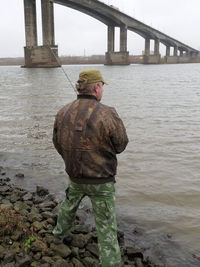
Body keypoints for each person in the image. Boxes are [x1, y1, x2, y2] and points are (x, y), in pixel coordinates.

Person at [52, 69, 128, 266]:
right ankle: (110, 263)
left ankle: (58, 236)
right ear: (96, 87)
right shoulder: (108, 113)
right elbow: (121, 145)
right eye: (102, 85)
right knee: (106, 226)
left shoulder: (62, 111)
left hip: (75, 177)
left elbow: (57, 143)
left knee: (68, 207)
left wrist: (72, 161)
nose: (102, 89)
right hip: (102, 182)